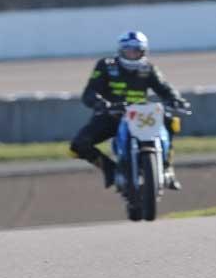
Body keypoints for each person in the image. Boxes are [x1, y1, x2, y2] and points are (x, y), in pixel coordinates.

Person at [70, 31, 190, 190]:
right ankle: (110, 170)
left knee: (171, 122)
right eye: (128, 50)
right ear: (121, 50)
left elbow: (164, 88)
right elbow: (90, 92)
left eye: (136, 50)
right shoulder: (106, 65)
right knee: (78, 145)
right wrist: (101, 104)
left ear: (144, 51)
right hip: (112, 114)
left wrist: (176, 100)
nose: (132, 54)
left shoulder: (148, 68)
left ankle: (167, 168)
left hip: (142, 115)